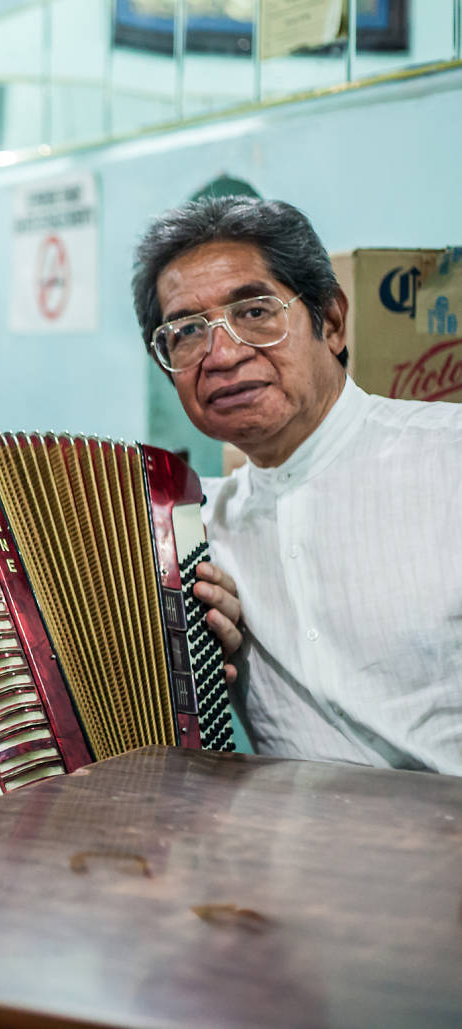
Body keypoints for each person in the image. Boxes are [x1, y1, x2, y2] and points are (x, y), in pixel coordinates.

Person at [132, 195, 462, 774]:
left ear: (330, 322)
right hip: (290, 853)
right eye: (185, 331)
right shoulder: (190, 533)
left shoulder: (448, 461)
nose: (223, 355)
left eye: (254, 312)